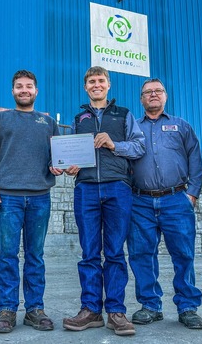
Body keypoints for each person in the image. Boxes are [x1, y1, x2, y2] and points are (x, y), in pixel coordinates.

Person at [0, 70, 63, 334]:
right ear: (12, 91)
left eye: (28, 86)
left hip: (39, 198)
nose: (24, 90)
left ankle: (35, 309)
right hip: (8, 198)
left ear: (36, 91)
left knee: (35, 256)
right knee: (8, 256)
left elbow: (56, 157)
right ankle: (8, 309)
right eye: (19, 86)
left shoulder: (48, 123)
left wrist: (56, 167)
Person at [63, 66, 146, 336]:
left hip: (117, 188)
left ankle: (116, 311)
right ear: (85, 87)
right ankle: (90, 310)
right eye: (91, 82)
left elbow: (139, 146)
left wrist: (114, 144)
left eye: (101, 81)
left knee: (114, 252)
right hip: (85, 188)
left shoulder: (123, 115)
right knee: (88, 252)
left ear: (108, 85)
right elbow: (69, 153)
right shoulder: (79, 118)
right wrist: (69, 165)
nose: (96, 85)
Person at [127, 78, 202, 330]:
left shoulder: (181, 126)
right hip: (140, 201)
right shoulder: (132, 129)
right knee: (141, 254)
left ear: (165, 96)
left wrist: (191, 193)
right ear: (141, 99)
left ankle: (188, 306)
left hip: (176, 200)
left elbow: (195, 158)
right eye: (147, 92)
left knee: (183, 254)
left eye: (157, 91)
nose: (153, 95)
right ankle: (150, 305)